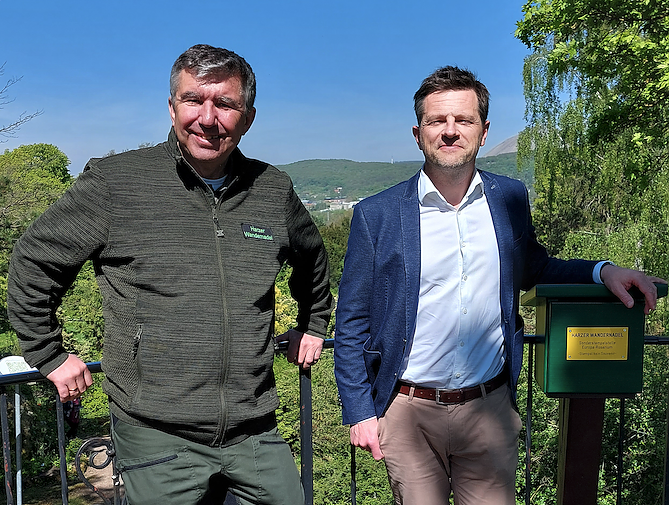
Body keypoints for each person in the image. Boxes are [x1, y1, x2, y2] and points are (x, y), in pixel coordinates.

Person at [8, 44, 333, 505]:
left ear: (249, 117)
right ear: (171, 106)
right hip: (157, 436)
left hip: (254, 429)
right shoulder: (116, 182)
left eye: (225, 104)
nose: (207, 117)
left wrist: (314, 323)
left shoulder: (272, 189)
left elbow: (312, 259)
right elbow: (33, 262)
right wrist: (49, 353)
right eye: (193, 100)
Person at [333, 66, 664, 505]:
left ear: (484, 131)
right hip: (408, 411)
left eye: (463, 120)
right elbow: (353, 318)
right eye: (437, 121)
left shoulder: (509, 198)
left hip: (488, 407)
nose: (450, 132)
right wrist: (360, 412)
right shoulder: (377, 214)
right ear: (418, 133)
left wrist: (601, 272)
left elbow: (534, 267)